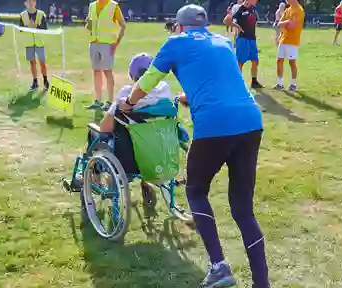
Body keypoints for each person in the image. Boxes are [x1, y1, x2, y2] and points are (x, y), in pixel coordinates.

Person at [121, 4, 269, 288]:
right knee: (243, 210)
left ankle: (219, 266)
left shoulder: (175, 43)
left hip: (215, 125)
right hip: (250, 121)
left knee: (196, 190)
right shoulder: (223, 41)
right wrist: (191, 96)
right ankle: (262, 283)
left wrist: (129, 103)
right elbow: (225, 81)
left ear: (179, 26)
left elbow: (148, 81)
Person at [68, 53, 178, 206]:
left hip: (129, 160)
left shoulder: (127, 94)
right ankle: (146, 183)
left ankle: (94, 177)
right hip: (158, 154)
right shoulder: (164, 91)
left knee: (95, 133)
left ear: (132, 75)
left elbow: (105, 128)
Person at [85, 0, 127, 110]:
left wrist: (116, 42)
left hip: (107, 44)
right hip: (93, 43)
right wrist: (88, 24)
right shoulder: (92, 5)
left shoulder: (113, 6)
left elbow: (123, 25)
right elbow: (89, 24)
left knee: (107, 72)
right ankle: (98, 101)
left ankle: (109, 102)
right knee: (96, 71)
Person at [224, 0, 264, 89]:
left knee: (255, 61)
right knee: (240, 62)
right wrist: (237, 26)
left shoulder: (253, 8)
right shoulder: (239, 9)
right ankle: (237, 82)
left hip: (252, 39)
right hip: (242, 39)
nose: (256, 1)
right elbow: (226, 20)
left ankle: (254, 82)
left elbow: (254, 22)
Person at [275, 0, 305, 92]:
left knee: (292, 62)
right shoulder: (287, 10)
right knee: (279, 61)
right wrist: (287, 22)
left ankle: (293, 84)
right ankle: (279, 84)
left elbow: (292, 26)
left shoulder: (299, 10)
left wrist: (285, 23)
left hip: (293, 41)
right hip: (283, 39)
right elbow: (278, 24)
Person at [19, 0, 49, 91]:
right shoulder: (22, 15)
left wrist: (36, 26)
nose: (31, 3)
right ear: (25, 3)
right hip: (29, 43)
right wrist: (28, 27)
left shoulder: (41, 14)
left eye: (32, 1)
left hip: (39, 42)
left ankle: (45, 81)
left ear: (35, 2)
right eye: (28, 1)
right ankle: (35, 82)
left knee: (42, 62)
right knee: (32, 63)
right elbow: (20, 29)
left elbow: (45, 28)